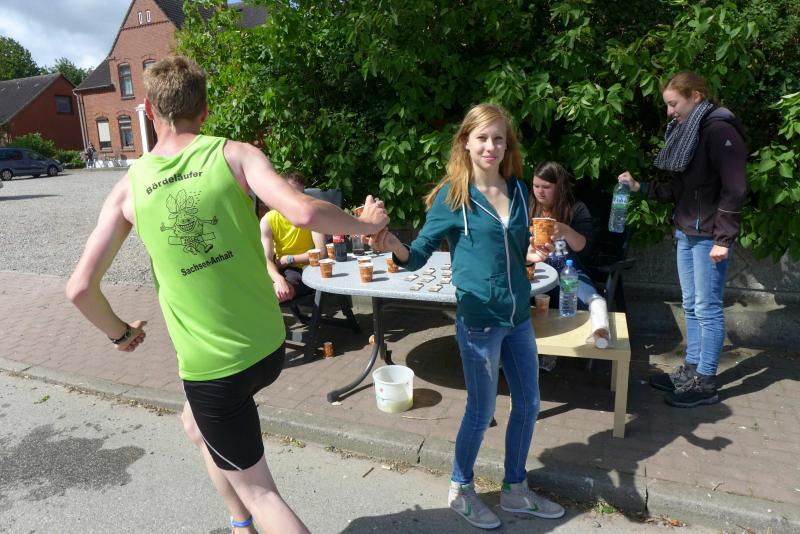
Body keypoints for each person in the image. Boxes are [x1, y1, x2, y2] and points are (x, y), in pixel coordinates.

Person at [65, 56, 388, 534]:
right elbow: (302, 212)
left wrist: (120, 334)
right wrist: (366, 224)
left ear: (150, 111)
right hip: (269, 347)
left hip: (213, 369)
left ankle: (248, 514)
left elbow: (79, 289)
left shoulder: (128, 189)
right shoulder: (236, 155)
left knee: (262, 492)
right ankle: (240, 524)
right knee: (195, 426)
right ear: (205, 110)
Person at [370, 103, 564, 529]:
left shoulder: (518, 190)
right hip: (479, 320)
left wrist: (535, 250)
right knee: (481, 410)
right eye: (482, 138)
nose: (491, 146)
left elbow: (514, 249)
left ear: (507, 145)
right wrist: (393, 246)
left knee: (529, 403)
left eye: (498, 139)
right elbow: (418, 254)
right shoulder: (452, 197)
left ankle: (515, 489)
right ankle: (461, 488)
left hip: (518, 316)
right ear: (466, 142)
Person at [618, 70, 747, 408]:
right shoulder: (692, 131)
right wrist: (640, 188)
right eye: (667, 105)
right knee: (690, 305)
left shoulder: (720, 130)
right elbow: (682, 189)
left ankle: (705, 382)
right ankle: (690, 370)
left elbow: (735, 188)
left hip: (708, 236)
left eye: (674, 104)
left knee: (707, 308)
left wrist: (724, 239)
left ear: (696, 97)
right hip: (687, 230)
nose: (669, 112)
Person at [529, 161, 598, 309]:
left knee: (589, 303)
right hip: (537, 274)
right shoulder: (529, 207)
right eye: (536, 186)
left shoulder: (576, 209)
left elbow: (585, 249)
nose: (540, 192)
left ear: (560, 187)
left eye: (546, 187)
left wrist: (565, 230)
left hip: (567, 273)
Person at [259, 170, 327, 302]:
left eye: (300, 194)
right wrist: (278, 279)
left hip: (304, 270)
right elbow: (266, 259)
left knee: (276, 294)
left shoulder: (312, 216)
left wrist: (288, 259)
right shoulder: (268, 220)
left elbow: (321, 254)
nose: (297, 199)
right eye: (292, 193)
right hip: (277, 271)